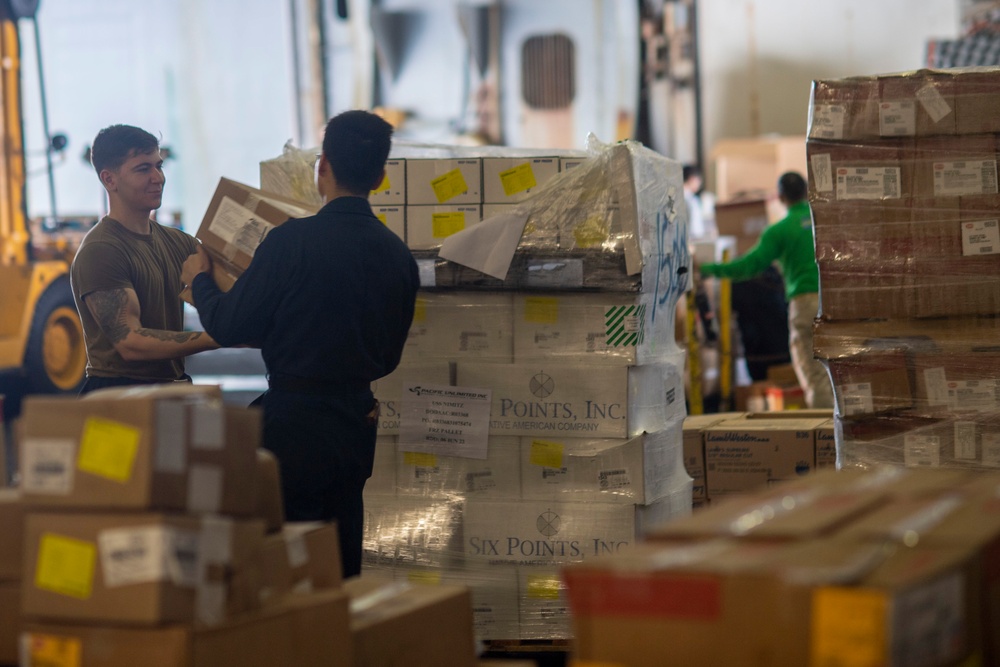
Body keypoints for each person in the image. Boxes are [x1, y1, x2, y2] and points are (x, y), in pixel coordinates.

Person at [181, 110, 419, 578]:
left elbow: (229, 325)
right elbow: (389, 355)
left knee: (290, 561)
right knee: (343, 551)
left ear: (322, 167)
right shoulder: (398, 256)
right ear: (381, 175)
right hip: (355, 423)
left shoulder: (292, 242)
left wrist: (200, 282)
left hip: (294, 424)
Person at [70, 124, 218, 394]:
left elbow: (230, 289)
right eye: (143, 169)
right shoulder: (101, 250)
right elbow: (131, 343)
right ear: (109, 179)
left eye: (158, 166)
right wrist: (216, 337)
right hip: (115, 395)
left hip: (172, 388)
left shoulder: (180, 243)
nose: (158, 177)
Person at [697, 171, 833, 409]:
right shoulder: (825, 220)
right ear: (806, 192)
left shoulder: (780, 230)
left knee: (815, 376)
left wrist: (708, 269)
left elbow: (750, 266)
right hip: (835, 303)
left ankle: (823, 439)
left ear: (780, 197)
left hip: (806, 302)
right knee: (836, 374)